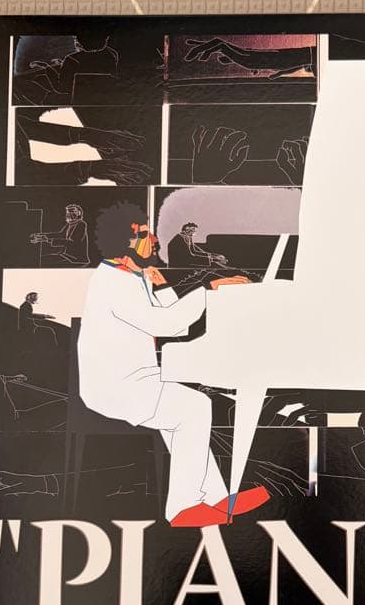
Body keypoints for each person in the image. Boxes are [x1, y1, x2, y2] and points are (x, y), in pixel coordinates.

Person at [77, 202, 268, 527]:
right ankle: (182, 509)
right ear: (124, 242)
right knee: (194, 408)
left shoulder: (131, 275)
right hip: (115, 388)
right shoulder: (112, 282)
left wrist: (163, 285)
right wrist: (209, 290)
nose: (153, 240)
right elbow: (165, 324)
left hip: (138, 380)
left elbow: (176, 328)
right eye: (144, 234)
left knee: (185, 412)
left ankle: (216, 500)